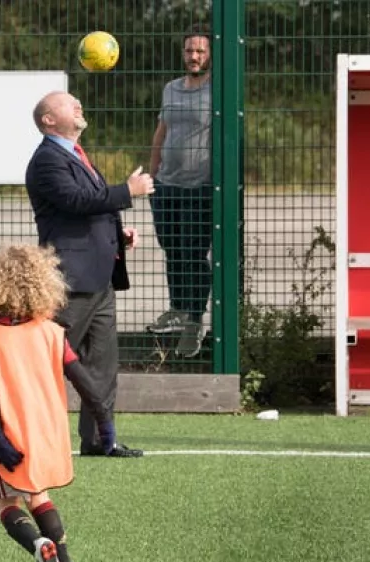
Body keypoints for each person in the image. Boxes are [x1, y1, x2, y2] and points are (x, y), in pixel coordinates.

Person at [25, 91, 153, 458]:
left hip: (99, 280)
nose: (79, 105)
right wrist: (128, 191)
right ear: (48, 120)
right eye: (69, 103)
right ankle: (19, 434)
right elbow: (77, 201)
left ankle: (100, 440)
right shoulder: (48, 160)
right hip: (69, 280)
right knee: (45, 363)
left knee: (101, 366)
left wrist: (118, 234)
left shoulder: (74, 154)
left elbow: (88, 208)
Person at [0, 244, 97, 562]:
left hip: (9, 438)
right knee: (38, 496)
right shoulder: (51, 333)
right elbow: (85, 381)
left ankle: (38, 546)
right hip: (44, 437)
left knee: (5, 502)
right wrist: (103, 417)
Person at [147, 26, 213, 358]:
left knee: (192, 251)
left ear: (210, 53)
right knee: (172, 249)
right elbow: (161, 131)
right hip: (166, 184)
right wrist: (153, 174)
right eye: (189, 50)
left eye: (200, 51)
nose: (194, 56)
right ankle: (177, 308)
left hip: (199, 185)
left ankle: (194, 319)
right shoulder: (171, 88)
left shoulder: (218, 89)